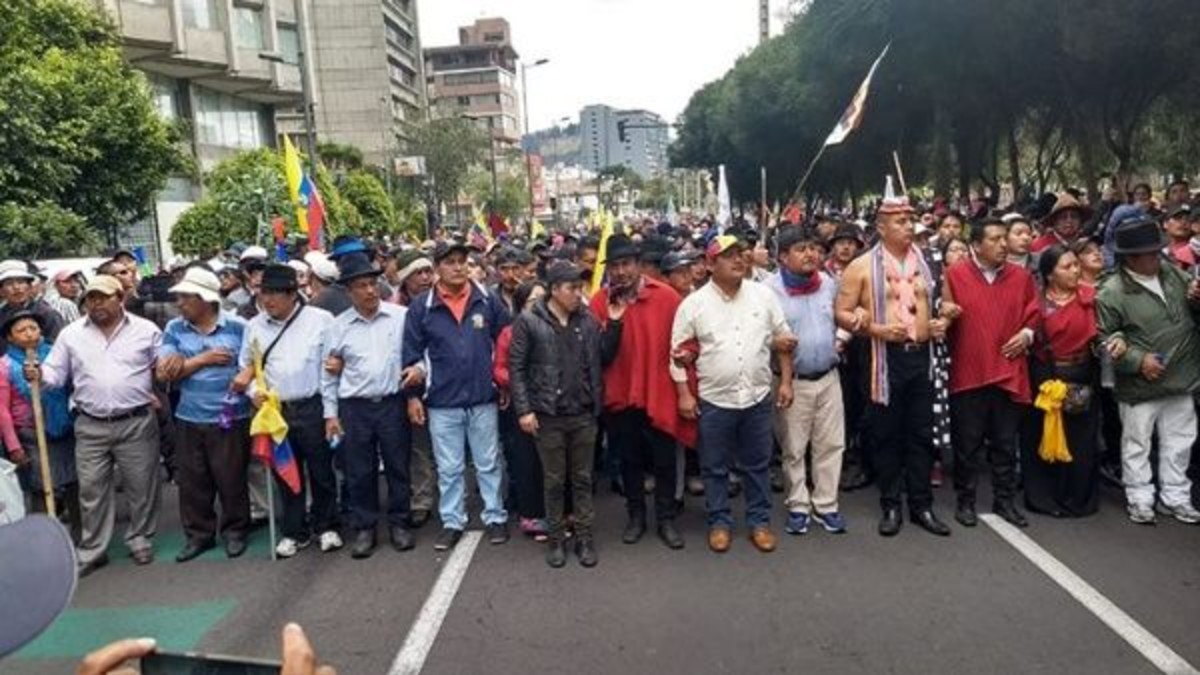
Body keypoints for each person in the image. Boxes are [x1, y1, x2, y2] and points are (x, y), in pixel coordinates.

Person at [835, 195, 953, 538]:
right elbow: (841, 312)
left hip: (922, 357)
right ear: (881, 227)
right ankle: (890, 504)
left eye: (909, 220)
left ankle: (922, 505)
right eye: (899, 221)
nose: (907, 226)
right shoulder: (861, 266)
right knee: (886, 433)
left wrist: (941, 320)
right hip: (883, 359)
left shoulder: (929, 262)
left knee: (920, 432)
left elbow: (942, 303)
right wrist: (875, 329)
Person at [28, 275, 162, 575]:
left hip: (136, 421)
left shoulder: (146, 330)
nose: (97, 303)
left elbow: (162, 363)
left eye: (103, 297)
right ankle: (93, 548)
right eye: (91, 298)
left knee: (141, 485)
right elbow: (54, 372)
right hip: (90, 423)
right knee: (91, 489)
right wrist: (39, 373)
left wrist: (166, 372)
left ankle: (139, 537)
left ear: (120, 298)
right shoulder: (71, 334)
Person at [672, 235, 794, 554]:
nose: (738, 260)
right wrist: (684, 395)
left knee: (758, 463)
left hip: (756, 397)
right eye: (728, 256)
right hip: (715, 401)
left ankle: (759, 521)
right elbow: (676, 354)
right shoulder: (693, 305)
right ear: (710, 264)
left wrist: (787, 382)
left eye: (741, 254)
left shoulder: (763, 296)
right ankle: (719, 521)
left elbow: (783, 339)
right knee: (714, 466)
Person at [403, 241, 511, 551]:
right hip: (441, 401)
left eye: (462, 260)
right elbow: (411, 354)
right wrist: (413, 395)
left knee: (488, 462)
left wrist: (502, 382)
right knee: (449, 467)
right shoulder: (421, 307)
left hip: (482, 397)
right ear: (437, 269)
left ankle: (495, 516)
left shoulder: (487, 299)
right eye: (450, 262)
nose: (458, 267)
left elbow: (504, 342)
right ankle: (452, 521)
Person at [1096, 216, 1200, 524]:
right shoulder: (1111, 291)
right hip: (1141, 385)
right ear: (1130, 257)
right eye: (1150, 253)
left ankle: (1176, 496)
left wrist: (1197, 300)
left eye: (1158, 250)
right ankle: (1140, 497)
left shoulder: (1174, 276)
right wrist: (1138, 360)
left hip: (1181, 378)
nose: (1157, 257)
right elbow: (1105, 338)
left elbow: (1193, 316)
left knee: (1180, 442)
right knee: (1137, 443)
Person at [235, 264, 342, 558]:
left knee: (321, 469)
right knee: (285, 472)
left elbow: (329, 371)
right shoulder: (255, 326)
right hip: (276, 409)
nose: (268, 300)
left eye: (275, 294)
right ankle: (295, 530)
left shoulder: (321, 320)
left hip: (313, 404)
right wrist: (253, 393)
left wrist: (331, 412)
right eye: (263, 292)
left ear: (293, 294)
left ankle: (327, 525)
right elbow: (246, 367)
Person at [589, 235, 686, 550]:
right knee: (628, 460)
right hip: (620, 395)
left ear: (639, 264)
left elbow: (685, 342)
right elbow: (596, 355)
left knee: (664, 460)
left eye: (626, 264)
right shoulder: (599, 303)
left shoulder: (667, 297)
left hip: (659, 391)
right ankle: (636, 517)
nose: (621, 272)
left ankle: (667, 519)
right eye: (614, 266)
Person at [943, 217, 1038, 528]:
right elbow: (942, 316)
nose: (1002, 245)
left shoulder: (1021, 277)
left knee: (1005, 443)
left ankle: (1005, 500)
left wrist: (1026, 334)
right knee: (967, 444)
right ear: (976, 246)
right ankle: (965, 500)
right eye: (995, 239)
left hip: (1008, 371)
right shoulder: (955, 275)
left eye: (1004, 238)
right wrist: (944, 315)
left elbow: (1034, 315)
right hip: (968, 371)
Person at [509, 262, 603, 568]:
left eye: (581, 287)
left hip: (583, 413)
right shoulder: (529, 321)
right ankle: (556, 539)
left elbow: (598, 362)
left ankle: (585, 538)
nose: (579, 294)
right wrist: (524, 409)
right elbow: (517, 368)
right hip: (548, 414)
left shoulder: (587, 320)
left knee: (582, 478)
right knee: (553, 481)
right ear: (554, 289)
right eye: (572, 288)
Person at [321, 253, 415, 558]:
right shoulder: (338, 326)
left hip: (392, 402)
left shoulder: (400, 317)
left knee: (398, 465)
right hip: (355, 407)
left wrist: (419, 373)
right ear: (349, 292)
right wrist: (330, 413)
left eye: (373, 283)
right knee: (359, 470)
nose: (370, 290)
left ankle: (400, 523)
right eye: (361, 285)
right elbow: (328, 373)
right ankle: (365, 528)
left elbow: (417, 354)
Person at [156, 267, 251, 562]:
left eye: (185, 297)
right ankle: (199, 535)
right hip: (189, 415)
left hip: (231, 415)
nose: (180, 303)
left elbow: (250, 365)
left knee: (231, 477)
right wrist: (204, 359)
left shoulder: (238, 327)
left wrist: (185, 364)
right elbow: (165, 373)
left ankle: (235, 532)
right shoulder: (174, 328)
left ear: (205, 299)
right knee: (193, 480)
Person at [765, 227, 846, 535]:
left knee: (831, 444)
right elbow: (762, 334)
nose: (811, 254)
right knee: (794, 447)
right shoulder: (768, 291)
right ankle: (798, 504)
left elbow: (844, 316)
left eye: (814, 248)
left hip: (828, 377)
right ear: (783, 257)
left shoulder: (828, 284)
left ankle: (826, 505)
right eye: (801, 249)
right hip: (791, 381)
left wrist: (844, 336)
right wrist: (776, 345)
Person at [1021, 246, 1104, 518]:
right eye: (1066, 267)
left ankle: (1078, 499)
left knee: (1080, 440)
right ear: (1048, 274)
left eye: (1075, 266)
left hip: (1082, 375)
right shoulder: (1037, 304)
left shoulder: (1091, 299)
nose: (1075, 271)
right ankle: (1044, 498)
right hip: (1046, 376)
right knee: (1044, 434)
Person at [0, 312, 78, 529]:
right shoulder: (5, 366)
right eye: (21, 330)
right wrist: (14, 447)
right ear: (10, 338)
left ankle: (82, 539)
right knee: (41, 489)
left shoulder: (55, 355)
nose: (29, 334)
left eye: (33, 328)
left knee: (74, 484)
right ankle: (42, 541)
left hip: (63, 429)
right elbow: (2, 411)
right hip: (30, 436)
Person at [493, 280, 548, 541]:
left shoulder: (556, 327)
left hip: (551, 403)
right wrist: (521, 383)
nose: (538, 306)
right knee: (527, 460)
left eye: (542, 299)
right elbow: (500, 368)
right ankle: (532, 514)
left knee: (554, 461)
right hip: (523, 402)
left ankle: (557, 512)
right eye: (531, 302)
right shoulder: (509, 332)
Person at [388, 249, 436, 528]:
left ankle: (422, 500)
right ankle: (401, 499)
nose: (425, 278)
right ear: (405, 279)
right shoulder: (393, 309)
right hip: (392, 389)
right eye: (418, 273)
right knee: (398, 449)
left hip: (430, 387)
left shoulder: (436, 304)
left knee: (423, 448)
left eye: (428, 271)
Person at [0, 260, 65, 351]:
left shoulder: (48, 314)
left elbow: (60, 349)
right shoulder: (1, 315)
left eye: (21, 282)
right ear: (1, 291)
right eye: (9, 283)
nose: (16, 287)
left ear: (30, 287)